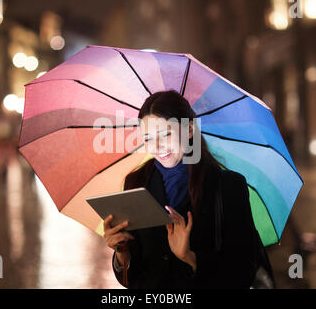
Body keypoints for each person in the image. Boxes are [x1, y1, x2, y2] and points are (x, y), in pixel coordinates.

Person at [103, 90, 275, 289]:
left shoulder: (227, 187)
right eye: (148, 138)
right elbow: (132, 279)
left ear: (190, 130)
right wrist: (122, 252)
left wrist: (191, 258)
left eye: (166, 134)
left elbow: (242, 271)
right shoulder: (136, 183)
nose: (157, 146)